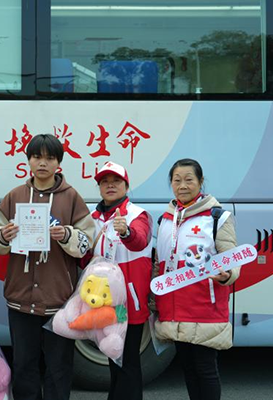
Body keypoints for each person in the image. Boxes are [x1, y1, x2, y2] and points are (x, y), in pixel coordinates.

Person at [0, 134, 95, 400]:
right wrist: (4, 235)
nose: (42, 163)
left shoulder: (72, 198)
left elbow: (86, 242)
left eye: (50, 158)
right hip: (20, 298)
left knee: (59, 367)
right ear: (28, 160)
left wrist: (67, 235)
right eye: (37, 157)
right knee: (23, 365)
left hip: (59, 300)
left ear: (58, 163)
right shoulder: (14, 197)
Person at [154, 158, 239, 400]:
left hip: (204, 306)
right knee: (189, 369)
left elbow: (231, 258)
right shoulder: (165, 220)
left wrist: (227, 275)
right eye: (177, 180)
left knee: (205, 369)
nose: (183, 185)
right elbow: (159, 264)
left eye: (189, 179)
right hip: (173, 307)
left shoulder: (217, 217)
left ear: (201, 182)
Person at [83, 161, 152, 400]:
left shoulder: (137, 214)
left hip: (127, 304)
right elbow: (85, 257)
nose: (110, 185)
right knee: (113, 357)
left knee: (128, 360)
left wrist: (126, 232)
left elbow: (140, 241)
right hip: (103, 301)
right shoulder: (92, 218)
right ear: (99, 187)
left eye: (116, 181)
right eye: (105, 182)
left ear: (126, 186)